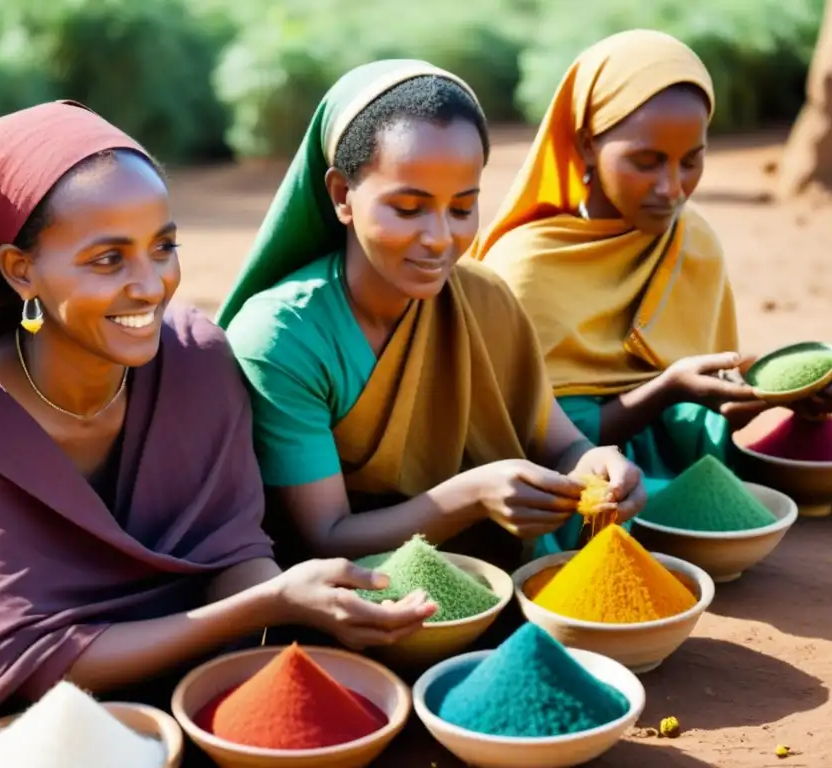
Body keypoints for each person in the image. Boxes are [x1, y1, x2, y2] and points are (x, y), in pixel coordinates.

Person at [0, 102, 435, 738]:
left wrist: (304, 601)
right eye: (108, 259)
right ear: (21, 270)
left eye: (163, 247)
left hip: (209, 705)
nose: (151, 285)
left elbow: (233, 551)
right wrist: (264, 604)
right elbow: (31, 664)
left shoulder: (194, 362)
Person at [218, 60, 645, 570]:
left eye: (462, 208)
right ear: (341, 196)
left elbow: (560, 443)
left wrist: (595, 464)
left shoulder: (485, 299)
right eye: (408, 208)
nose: (441, 237)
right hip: (356, 605)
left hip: (493, 582)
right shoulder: (282, 337)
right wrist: (468, 498)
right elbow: (324, 536)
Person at [468, 30, 832, 552]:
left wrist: (781, 394)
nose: (671, 188)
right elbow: (527, 438)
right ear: (587, 141)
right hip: (575, 492)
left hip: (677, 480)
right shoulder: (526, 266)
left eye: (691, 160)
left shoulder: (692, 241)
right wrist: (667, 389)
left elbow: (694, 415)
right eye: (646, 161)